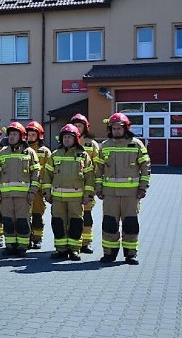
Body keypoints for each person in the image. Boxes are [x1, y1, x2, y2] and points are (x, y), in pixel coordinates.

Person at [95, 113, 151, 265]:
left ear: (126, 128)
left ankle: (131, 254)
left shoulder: (136, 145)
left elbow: (146, 167)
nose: (116, 131)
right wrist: (98, 188)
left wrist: (143, 188)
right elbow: (98, 169)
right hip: (110, 195)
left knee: (130, 224)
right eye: (113, 128)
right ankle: (109, 254)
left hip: (131, 195)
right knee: (109, 224)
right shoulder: (105, 146)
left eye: (119, 128)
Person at [42, 124, 94, 261]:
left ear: (75, 139)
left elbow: (90, 177)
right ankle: (61, 249)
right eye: (64, 137)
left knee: (76, 223)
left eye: (69, 137)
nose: (66, 140)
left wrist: (88, 195)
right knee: (58, 223)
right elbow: (47, 175)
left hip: (76, 199)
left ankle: (74, 250)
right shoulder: (54, 155)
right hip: (57, 199)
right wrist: (47, 193)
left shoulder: (83, 155)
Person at [0, 122, 40, 256]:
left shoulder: (29, 152)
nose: (12, 137)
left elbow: (35, 173)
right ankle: (10, 245)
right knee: (8, 221)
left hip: (23, 196)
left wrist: (32, 191)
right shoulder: (3, 153)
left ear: (21, 136)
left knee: (22, 221)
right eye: (10, 134)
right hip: (6, 196)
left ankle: (22, 246)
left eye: (15, 134)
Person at [70, 113, 100, 254]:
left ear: (85, 128)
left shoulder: (91, 144)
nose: (77, 128)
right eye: (75, 126)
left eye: (80, 126)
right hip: (70, 187)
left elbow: (97, 166)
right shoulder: (67, 142)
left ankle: (86, 243)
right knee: (72, 216)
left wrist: (94, 185)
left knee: (87, 216)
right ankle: (73, 242)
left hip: (87, 187)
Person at [25, 121, 52, 249]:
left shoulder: (45, 152)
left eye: (33, 134)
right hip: (25, 189)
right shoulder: (23, 150)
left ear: (39, 136)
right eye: (28, 134)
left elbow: (49, 171)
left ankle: (37, 238)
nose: (30, 137)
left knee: (37, 215)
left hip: (39, 191)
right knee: (24, 215)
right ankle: (26, 237)